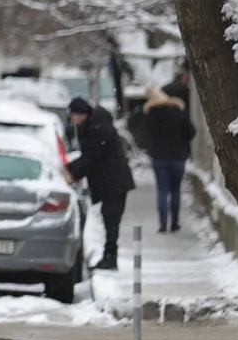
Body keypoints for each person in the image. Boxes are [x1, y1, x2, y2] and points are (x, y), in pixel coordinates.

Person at [66, 95, 135, 270]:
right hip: (110, 181)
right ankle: (109, 256)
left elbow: (92, 157)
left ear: (81, 113)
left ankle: (110, 258)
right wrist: (71, 168)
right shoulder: (95, 124)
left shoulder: (98, 128)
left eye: (73, 115)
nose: (72, 120)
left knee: (111, 221)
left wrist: (71, 172)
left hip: (114, 182)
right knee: (109, 219)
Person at [143, 82, 196, 233]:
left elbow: (145, 134)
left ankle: (162, 223)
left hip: (159, 158)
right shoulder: (179, 113)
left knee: (162, 191)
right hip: (178, 157)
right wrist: (181, 141)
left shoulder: (152, 115)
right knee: (175, 191)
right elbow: (191, 132)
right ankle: (175, 222)